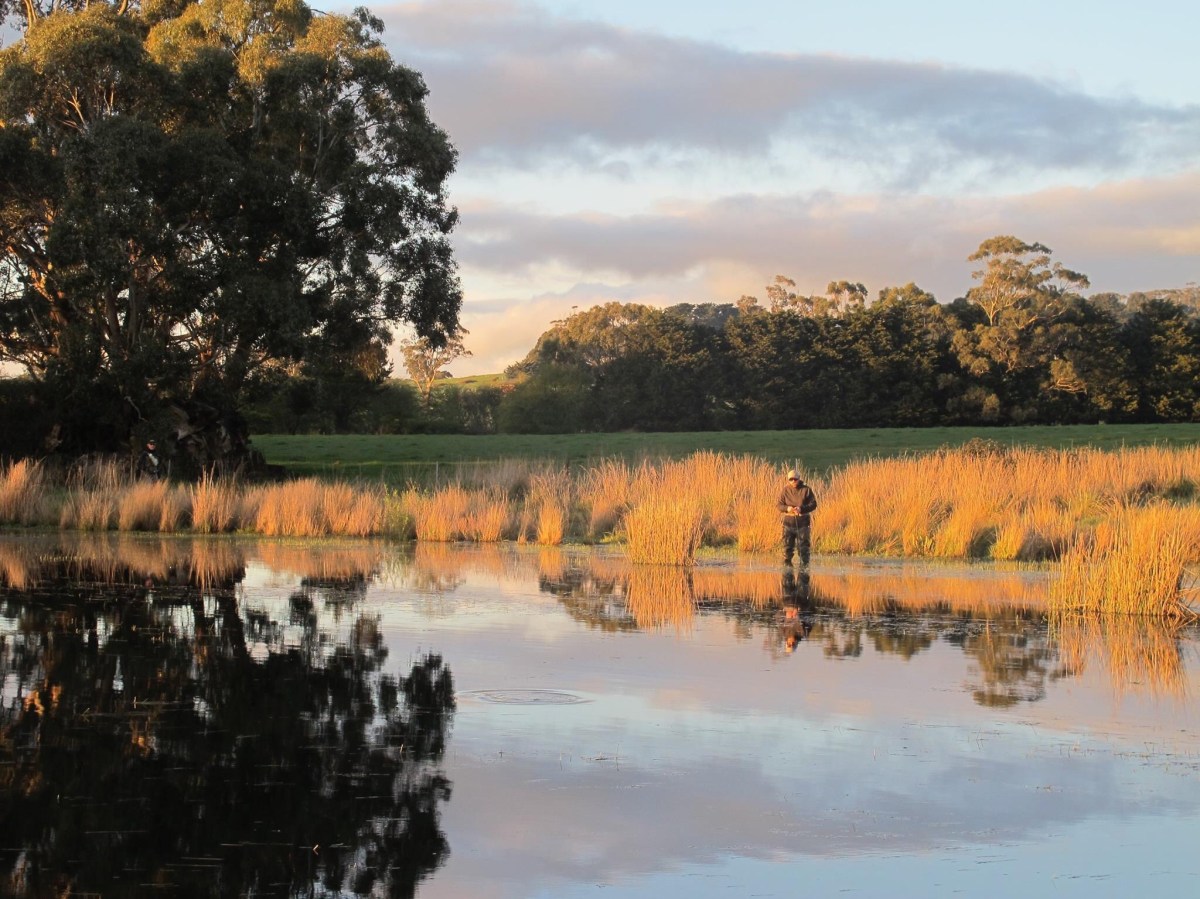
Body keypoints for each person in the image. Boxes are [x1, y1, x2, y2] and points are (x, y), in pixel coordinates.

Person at [777, 468, 817, 567]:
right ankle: (787, 575)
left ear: (799, 479)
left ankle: (804, 577)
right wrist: (788, 508)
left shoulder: (806, 490)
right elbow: (779, 505)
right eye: (791, 479)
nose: (793, 481)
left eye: (795, 479)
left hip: (803, 523)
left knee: (804, 549)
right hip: (788, 524)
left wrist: (801, 509)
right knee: (787, 549)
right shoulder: (785, 490)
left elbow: (813, 504)